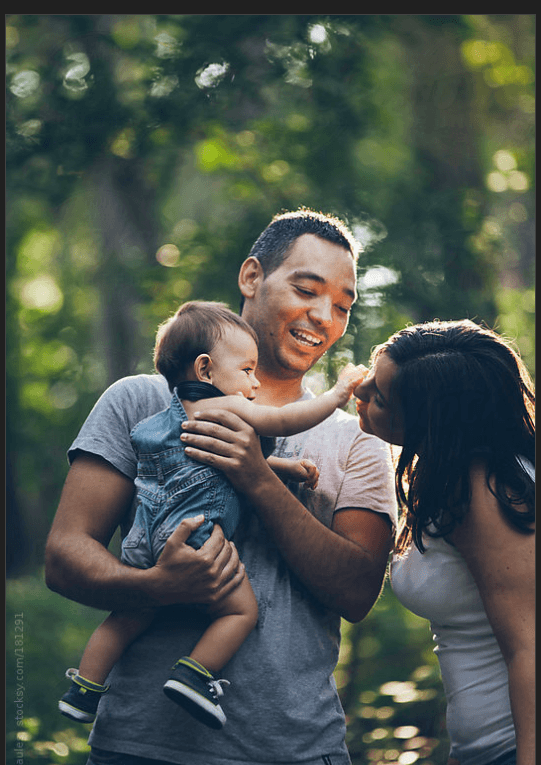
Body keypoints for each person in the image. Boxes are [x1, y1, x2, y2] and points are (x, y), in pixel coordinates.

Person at [45, 208, 398, 765]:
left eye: (343, 306)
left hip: (295, 751)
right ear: (252, 277)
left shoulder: (357, 439)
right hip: (139, 748)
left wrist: (258, 479)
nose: (323, 315)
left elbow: (357, 593)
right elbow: (64, 556)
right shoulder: (139, 400)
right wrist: (156, 587)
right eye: (306, 289)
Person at [58, 299, 366, 729]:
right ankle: (194, 674)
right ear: (205, 371)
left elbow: (216, 462)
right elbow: (284, 421)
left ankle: (85, 688)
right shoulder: (228, 408)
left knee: (129, 614)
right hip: (196, 534)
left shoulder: (169, 417)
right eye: (246, 371)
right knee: (240, 611)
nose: (254, 385)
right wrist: (336, 394)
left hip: (146, 539)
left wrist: (283, 469)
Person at [353, 319, 535, 765]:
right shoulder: (453, 473)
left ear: (428, 422)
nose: (358, 391)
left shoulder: (483, 488)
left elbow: (529, 647)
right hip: (484, 748)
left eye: (378, 395)